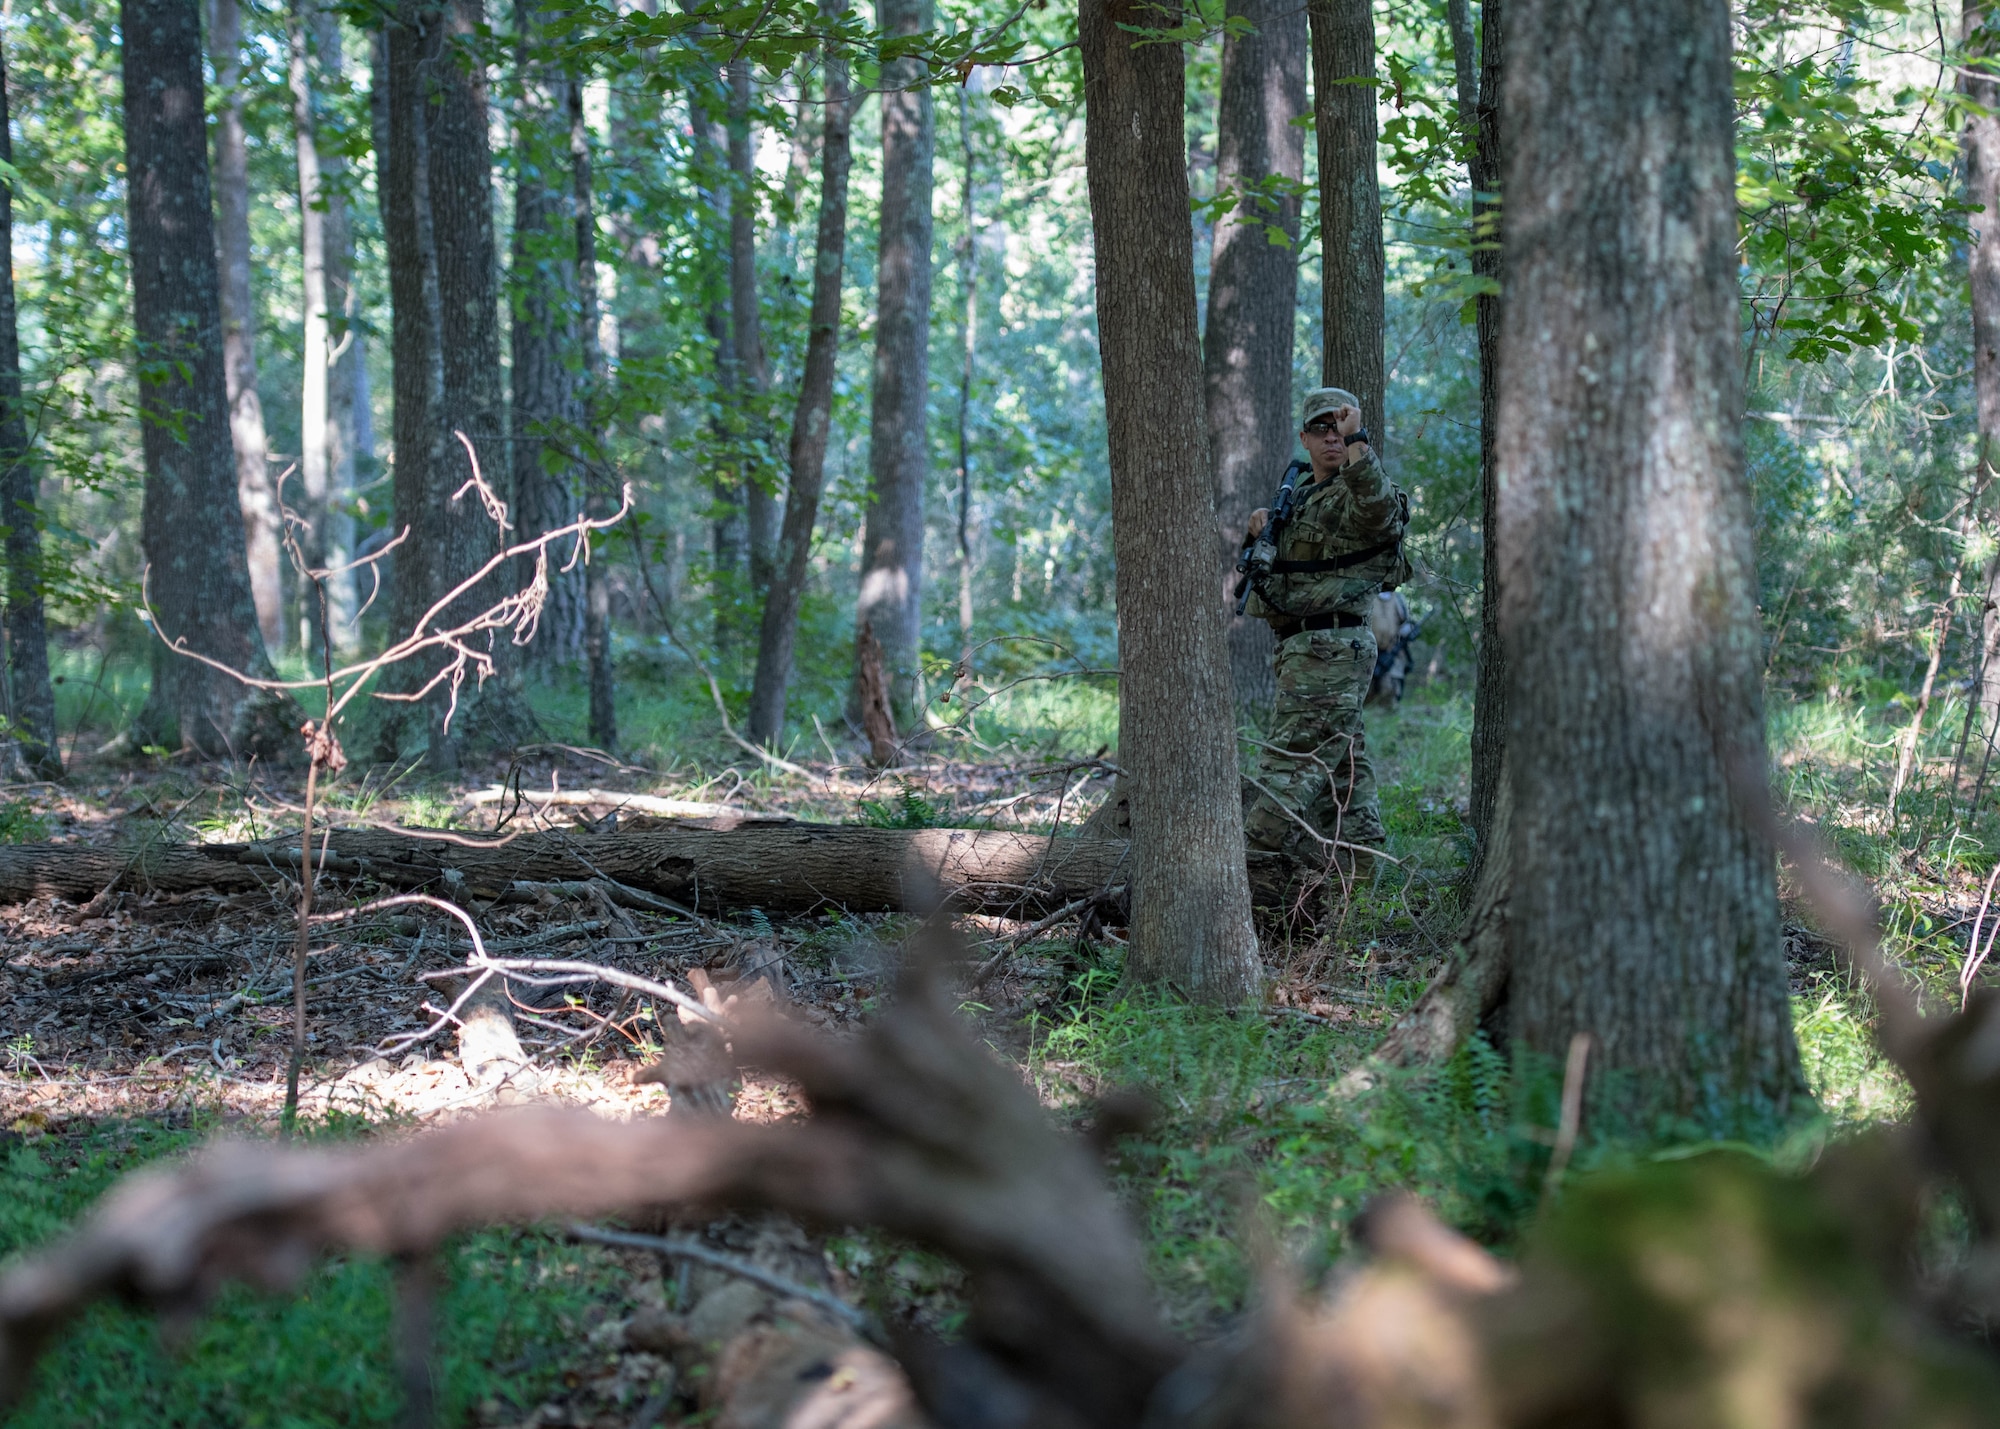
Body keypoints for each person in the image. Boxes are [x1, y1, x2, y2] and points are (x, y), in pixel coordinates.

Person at [1239, 387, 1410, 870]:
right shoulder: (1301, 497)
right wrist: (1260, 531)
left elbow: (1381, 514)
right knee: (1344, 777)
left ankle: (1247, 869)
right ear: (1305, 439)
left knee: (1290, 764)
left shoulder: (1360, 490)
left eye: (1339, 428)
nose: (1331, 437)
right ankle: (1359, 884)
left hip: (1330, 649)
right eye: (1321, 428)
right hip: (1305, 650)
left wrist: (1360, 440)